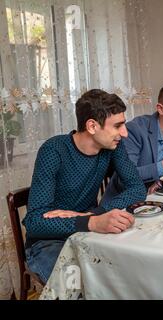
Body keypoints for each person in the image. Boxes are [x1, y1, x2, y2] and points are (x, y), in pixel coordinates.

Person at [23, 89, 147, 283]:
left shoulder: (112, 146)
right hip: (49, 242)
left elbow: (137, 188)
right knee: (83, 285)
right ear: (92, 126)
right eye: (118, 126)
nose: (124, 133)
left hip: (87, 231)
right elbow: (35, 222)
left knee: (128, 273)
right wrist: (91, 222)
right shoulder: (53, 150)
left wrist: (95, 215)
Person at [102, 83, 163, 201]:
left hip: (157, 200)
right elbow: (126, 177)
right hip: (122, 203)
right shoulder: (134, 129)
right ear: (160, 109)